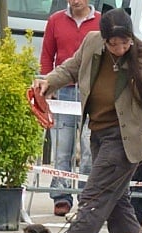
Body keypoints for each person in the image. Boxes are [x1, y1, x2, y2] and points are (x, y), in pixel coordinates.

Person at [33, 8, 142, 233]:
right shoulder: (91, 42)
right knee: (117, 204)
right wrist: (49, 81)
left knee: (93, 199)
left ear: (131, 37)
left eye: (125, 43)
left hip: (124, 138)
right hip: (98, 133)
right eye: (113, 44)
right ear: (104, 38)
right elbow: (71, 68)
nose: (119, 49)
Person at [40, 0, 101, 216]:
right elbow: (47, 55)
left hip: (92, 93)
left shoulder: (101, 22)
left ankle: (86, 196)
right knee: (61, 149)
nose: (76, 1)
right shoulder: (55, 21)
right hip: (64, 91)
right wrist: (50, 84)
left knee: (89, 149)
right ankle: (61, 196)